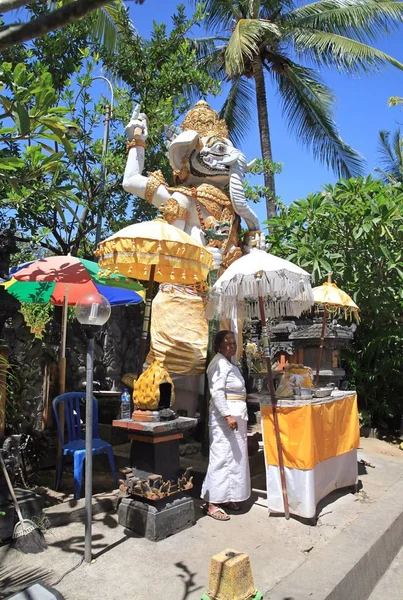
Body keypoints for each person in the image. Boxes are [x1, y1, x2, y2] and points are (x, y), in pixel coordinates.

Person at [201, 330, 251, 521]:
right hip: (226, 419)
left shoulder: (229, 364)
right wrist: (227, 415)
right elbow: (217, 391)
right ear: (218, 346)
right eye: (228, 343)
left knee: (235, 459)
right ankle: (212, 502)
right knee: (221, 457)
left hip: (237, 417)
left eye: (234, 344)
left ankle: (227, 496)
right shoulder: (218, 364)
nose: (232, 346)